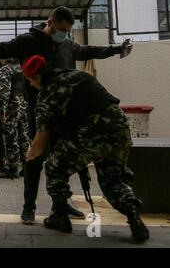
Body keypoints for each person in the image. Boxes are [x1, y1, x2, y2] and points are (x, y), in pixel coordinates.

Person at [0, 6, 133, 224]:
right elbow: (4, 48)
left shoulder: (66, 44)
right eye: (61, 28)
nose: (64, 33)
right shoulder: (29, 40)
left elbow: (88, 51)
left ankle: (60, 207)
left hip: (66, 113)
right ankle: (29, 207)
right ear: (50, 22)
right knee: (35, 156)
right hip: (38, 108)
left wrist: (115, 50)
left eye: (67, 30)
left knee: (62, 160)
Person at [23, 55, 149, 242]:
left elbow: (40, 142)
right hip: (120, 131)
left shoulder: (47, 94)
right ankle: (133, 216)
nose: (31, 85)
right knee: (115, 180)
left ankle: (60, 216)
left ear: (38, 77)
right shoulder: (79, 75)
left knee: (54, 167)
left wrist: (29, 157)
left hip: (89, 135)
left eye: (30, 81)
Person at [0, 58, 28, 179]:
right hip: (23, 104)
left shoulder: (6, 69)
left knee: (11, 137)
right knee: (24, 136)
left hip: (12, 106)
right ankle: (26, 167)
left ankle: (12, 168)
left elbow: (4, 92)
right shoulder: (22, 67)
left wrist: (2, 112)